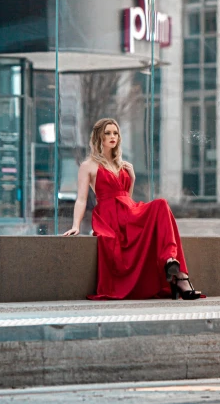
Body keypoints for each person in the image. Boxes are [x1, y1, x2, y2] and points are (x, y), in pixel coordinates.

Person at [63, 118, 203, 301]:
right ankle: (179, 278)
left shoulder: (124, 165)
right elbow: (81, 199)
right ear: (99, 137)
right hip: (109, 216)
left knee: (160, 204)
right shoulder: (88, 166)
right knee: (159, 206)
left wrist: (133, 178)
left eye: (115, 133)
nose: (112, 136)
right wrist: (76, 225)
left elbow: (126, 197)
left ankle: (171, 261)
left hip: (128, 211)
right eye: (108, 133)